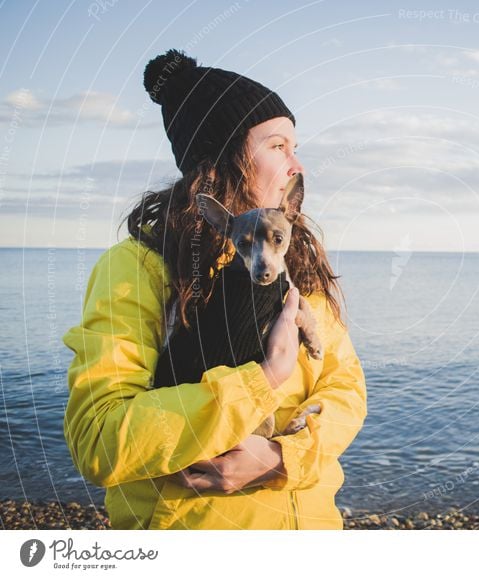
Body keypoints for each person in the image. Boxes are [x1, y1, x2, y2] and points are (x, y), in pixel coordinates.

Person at [62, 49, 367, 530]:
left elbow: (347, 388)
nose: (296, 164)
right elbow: (99, 440)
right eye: (277, 146)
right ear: (222, 158)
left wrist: (281, 458)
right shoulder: (139, 268)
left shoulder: (297, 267)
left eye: (294, 146)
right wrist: (260, 382)